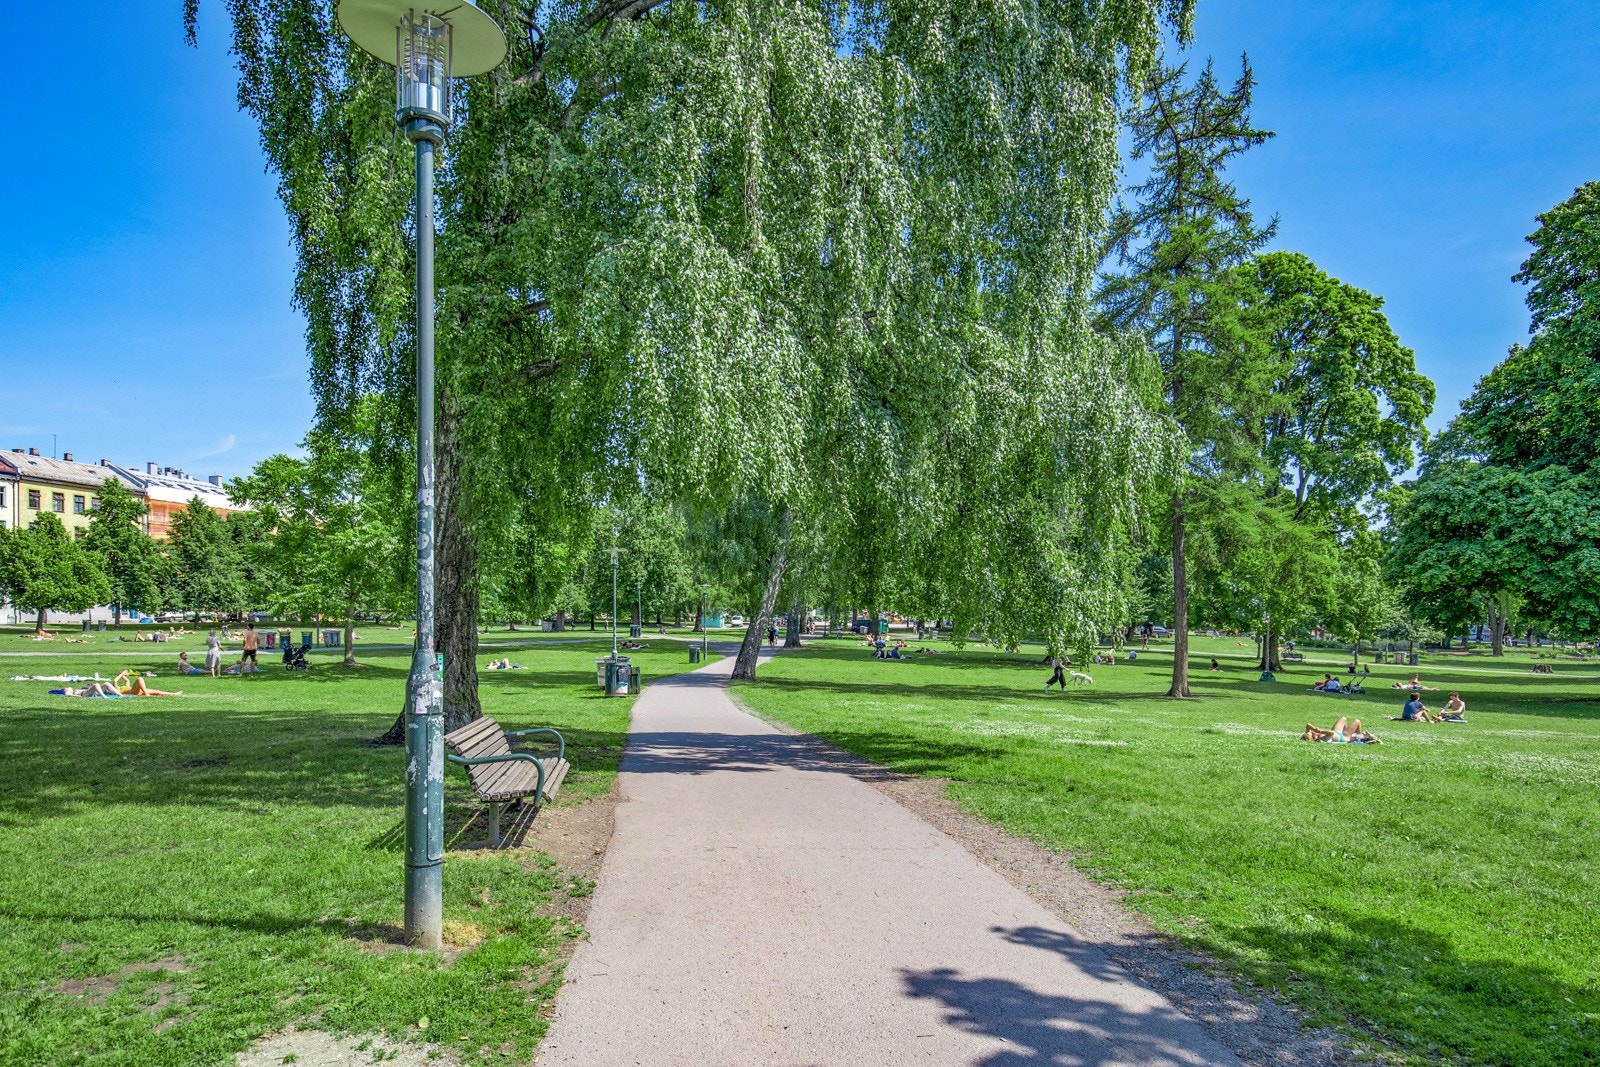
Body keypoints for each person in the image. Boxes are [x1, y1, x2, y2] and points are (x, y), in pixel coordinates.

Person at [1301, 716, 1380, 744]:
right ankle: (1358, 737)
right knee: (1357, 721)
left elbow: (1308, 725)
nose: (1312, 733)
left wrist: (1314, 729)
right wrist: (1320, 731)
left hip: (1337, 732)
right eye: (1312, 734)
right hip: (1343, 737)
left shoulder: (1309, 734)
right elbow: (1331, 733)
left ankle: (1357, 736)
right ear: (1312, 738)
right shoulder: (1319, 740)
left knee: (1343, 718)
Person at [113, 671, 182, 697]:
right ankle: (146, 694)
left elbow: (127, 681)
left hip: (138, 690)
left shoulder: (123, 686)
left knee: (157, 692)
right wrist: (120, 675)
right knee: (140, 679)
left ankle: (174, 694)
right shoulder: (117, 690)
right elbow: (115, 681)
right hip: (132, 692)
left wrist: (121, 675)